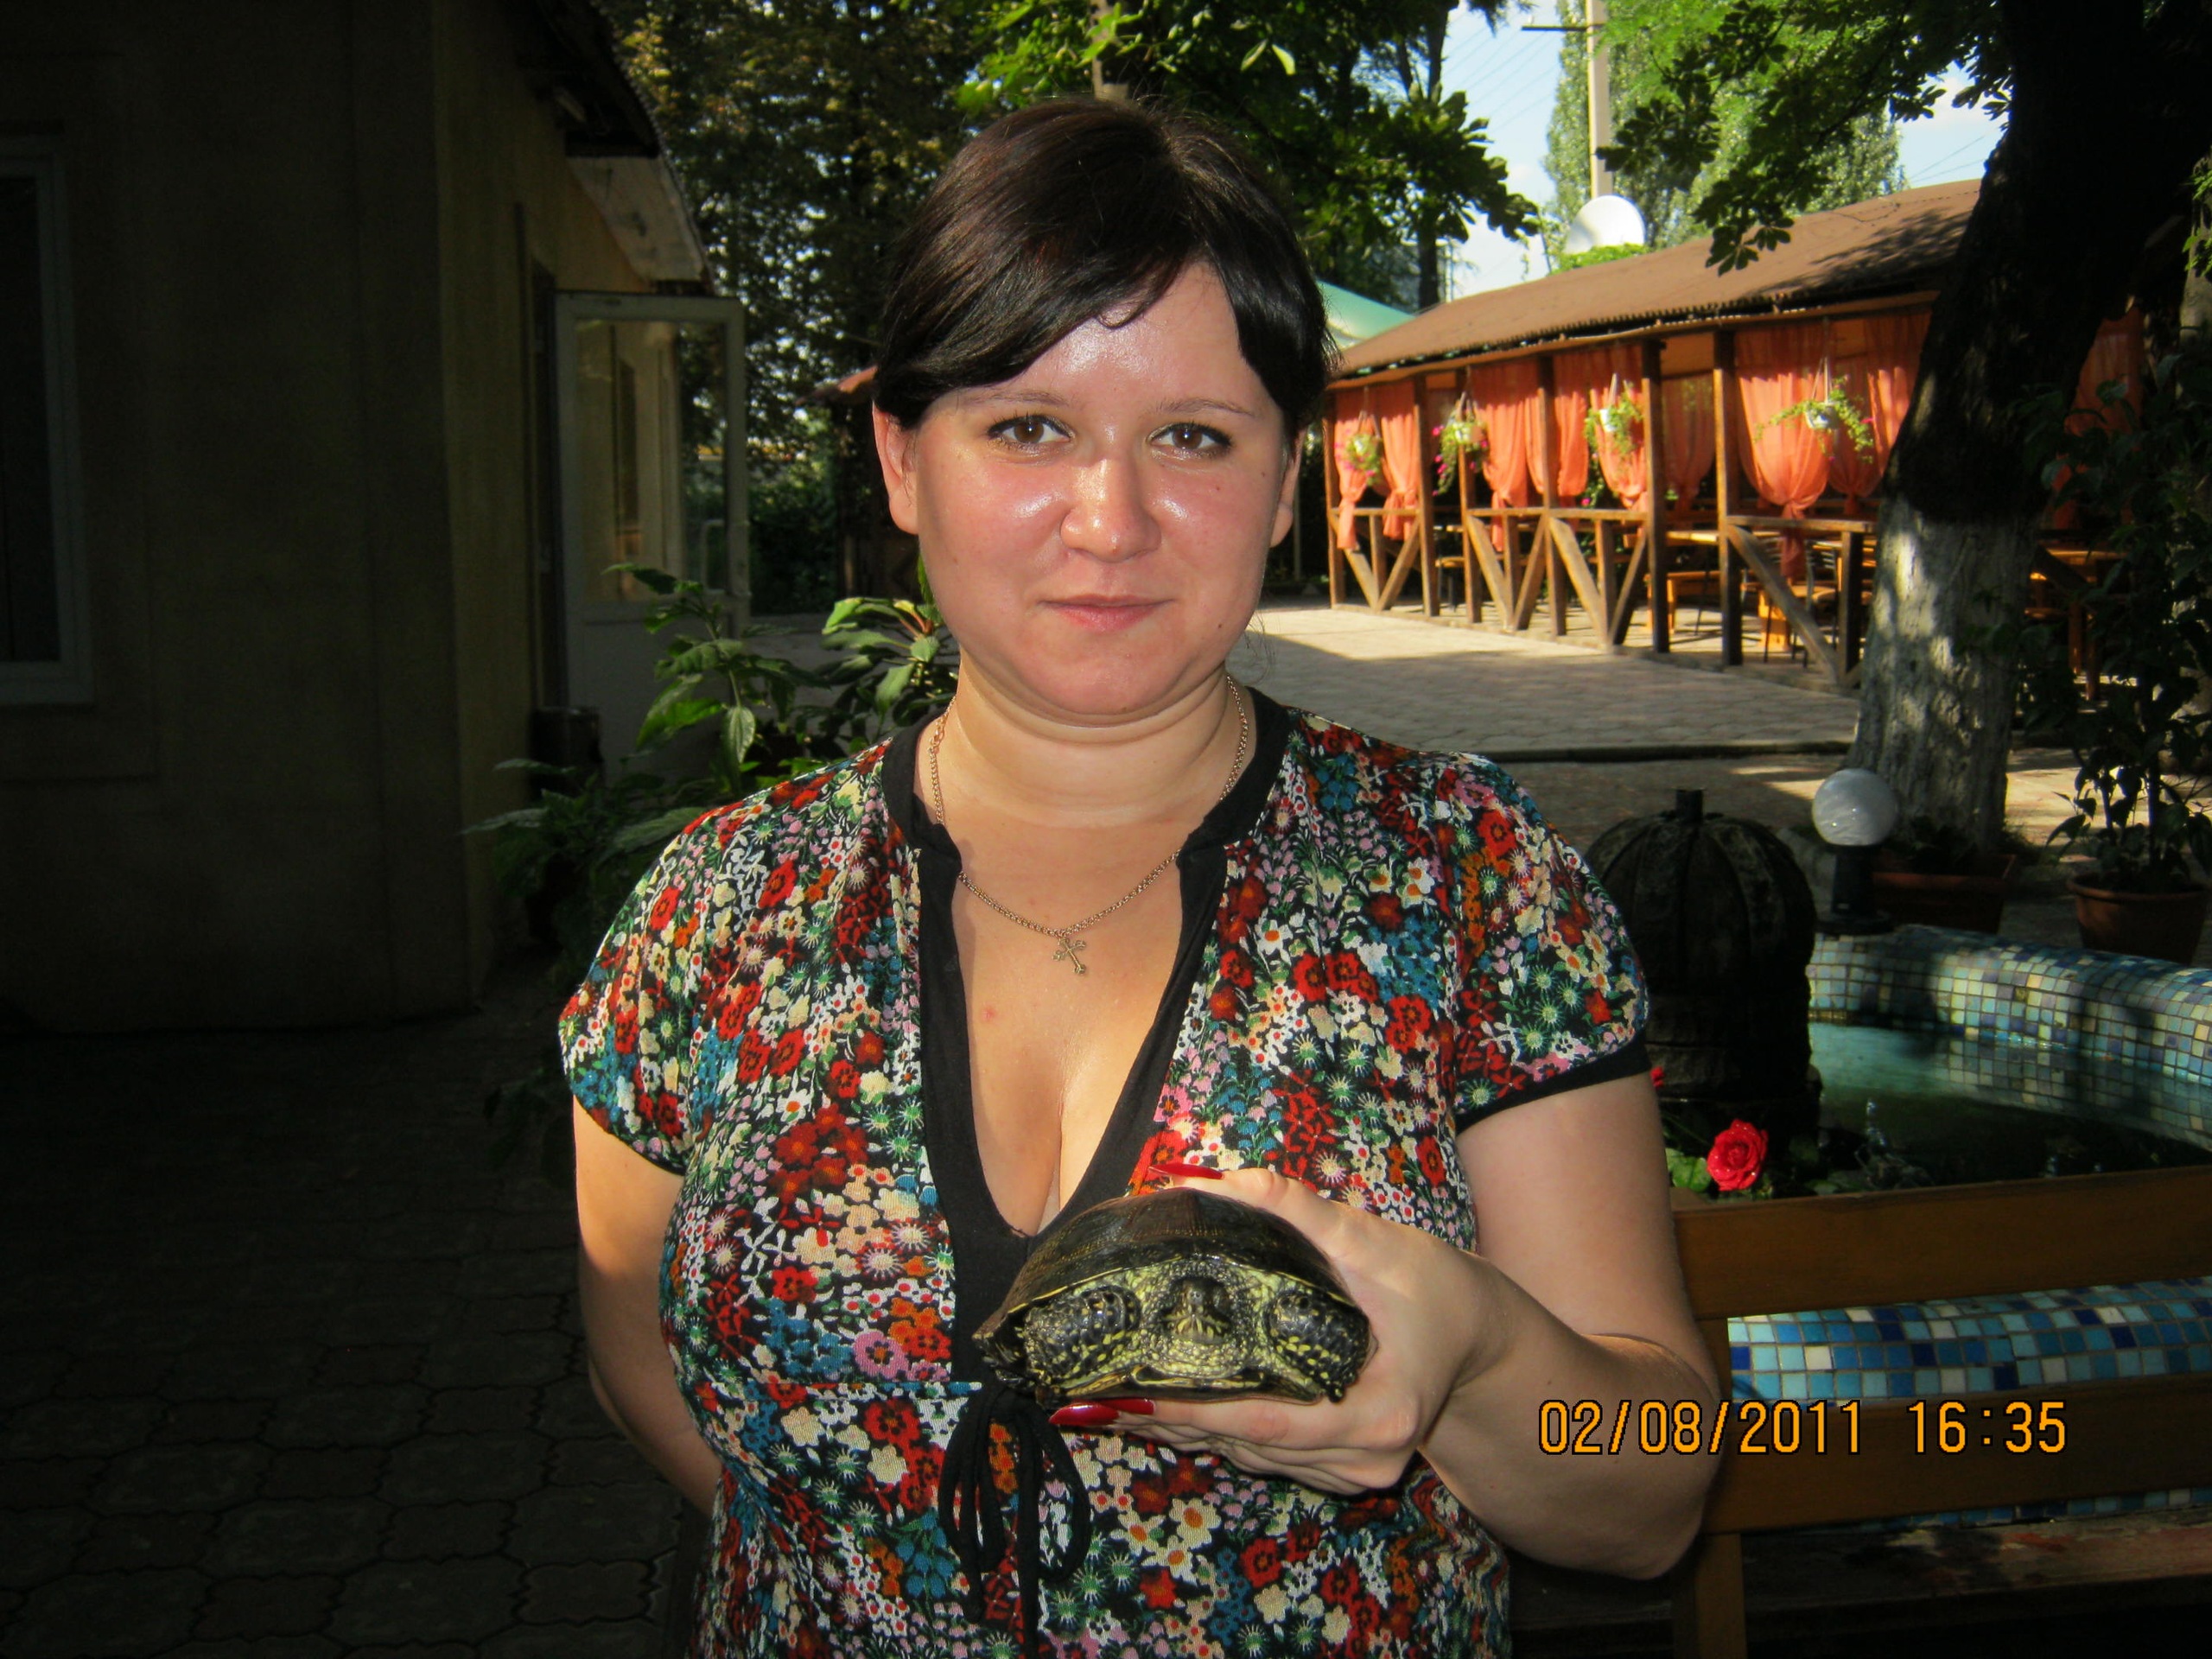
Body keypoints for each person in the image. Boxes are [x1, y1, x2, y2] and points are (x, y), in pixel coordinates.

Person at [564, 98, 1719, 1659]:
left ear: (1287, 477)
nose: (1110, 523)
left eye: (1193, 437)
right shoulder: (719, 912)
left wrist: (1481, 1349)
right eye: (1028, 428)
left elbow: (1653, 1487)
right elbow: (637, 1360)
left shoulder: (1469, 876)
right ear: (903, 459)